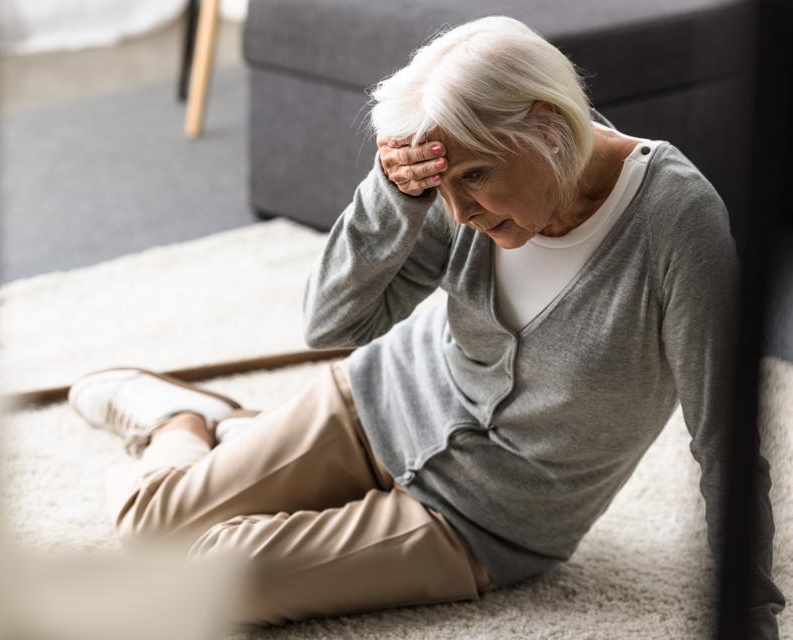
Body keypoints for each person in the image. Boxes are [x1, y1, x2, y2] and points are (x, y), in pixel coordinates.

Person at [68, 15, 785, 635]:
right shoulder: (459, 190)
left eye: (472, 177)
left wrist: (750, 614)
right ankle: (182, 420)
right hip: (376, 402)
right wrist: (394, 193)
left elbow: (724, 436)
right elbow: (332, 322)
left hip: (478, 521)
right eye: (442, 184)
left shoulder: (675, 222)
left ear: (546, 127)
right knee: (150, 526)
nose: (461, 212)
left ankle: (233, 434)